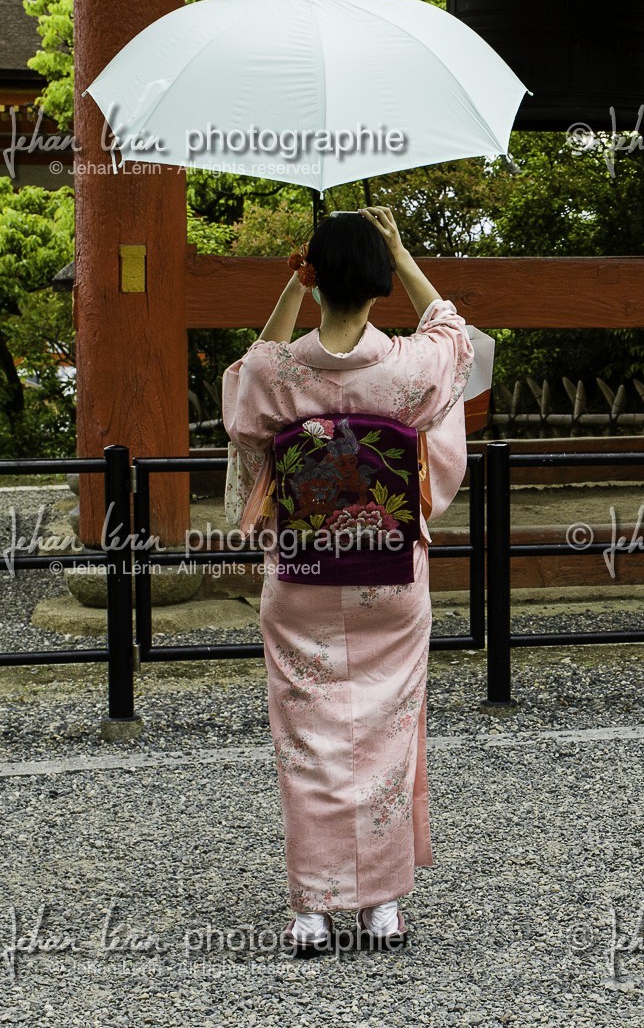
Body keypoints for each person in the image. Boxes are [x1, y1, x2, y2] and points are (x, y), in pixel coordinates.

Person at [221, 207, 473, 957]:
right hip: (388, 577)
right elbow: (456, 339)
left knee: (308, 739)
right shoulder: (405, 367)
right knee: (386, 731)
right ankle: (383, 909)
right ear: (377, 285)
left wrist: (291, 290)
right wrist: (403, 255)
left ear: (317, 276)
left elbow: (245, 386)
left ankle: (311, 911)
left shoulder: (276, 372)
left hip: (301, 576)